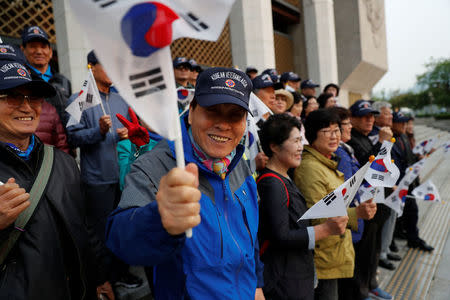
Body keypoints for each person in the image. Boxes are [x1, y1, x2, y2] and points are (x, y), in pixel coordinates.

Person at [106, 67, 265, 299]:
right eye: (212, 111)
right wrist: (159, 219)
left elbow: (249, 239)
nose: (223, 124)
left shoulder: (238, 162)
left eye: (235, 115)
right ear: (191, 112)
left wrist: (257, 284)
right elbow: (121, 240)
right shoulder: (154, 166)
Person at [0, 58, 98, 299]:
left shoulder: (63, 162)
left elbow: (84, 229)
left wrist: (97, 278)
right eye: (12, 96)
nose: (26, 107)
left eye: (33, 97)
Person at [66, 51, 141, 290]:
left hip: (123, 177)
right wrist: (97, 131)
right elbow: (71, 138)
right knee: (100, 234)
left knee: (123, 227)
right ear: (92, 67)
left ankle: (122, 273)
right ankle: (103, 280)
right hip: (97, 180)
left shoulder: (121, 100)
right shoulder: (79, 99)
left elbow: (137, 131)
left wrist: (129, 133)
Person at [257, 114, 348, 299]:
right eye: (296, 141)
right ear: (274, 146)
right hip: (285, 281)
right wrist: (325, 229)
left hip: (296, 275)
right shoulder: (272, 184)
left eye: (301, 140)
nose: (301, 147)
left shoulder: (284, 177)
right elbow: (280, 236)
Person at [294, 109, 376, 300]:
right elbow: (317, 215)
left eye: (337, 130)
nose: (335, 136)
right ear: (313, 134)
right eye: (327, 131)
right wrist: (357, 214)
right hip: (323, 256)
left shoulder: (326, 162)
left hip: (334, 251)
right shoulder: (310, 169)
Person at [347, 100, 393, 300]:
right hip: (362, 203)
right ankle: (361, 291)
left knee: (373, 248)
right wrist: (381, 144)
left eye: (372, 116)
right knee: (363, 250)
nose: (369, 120)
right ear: (353, 119)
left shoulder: (369, 137)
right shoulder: (352, 140)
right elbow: (364, 168)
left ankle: (371, 283)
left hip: (377, 200)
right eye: (364, 117)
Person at [390, 112, 434, 252]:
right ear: (393, 123)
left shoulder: (404, 137)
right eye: (401, 122)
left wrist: (420, 157)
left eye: (406, 122)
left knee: (412, 212)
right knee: (397, 216)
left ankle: (413, 239)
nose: (404, 125)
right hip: (397, 186)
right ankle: (395, 243)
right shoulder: (390, 140)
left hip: (409, 183)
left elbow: (409, 159)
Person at [20, 25, 72, 125]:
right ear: (22, 50)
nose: (39, 51)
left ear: (51, 52)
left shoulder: (63, 81)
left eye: (43, 47)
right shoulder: (21, 80)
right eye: (33, 46)